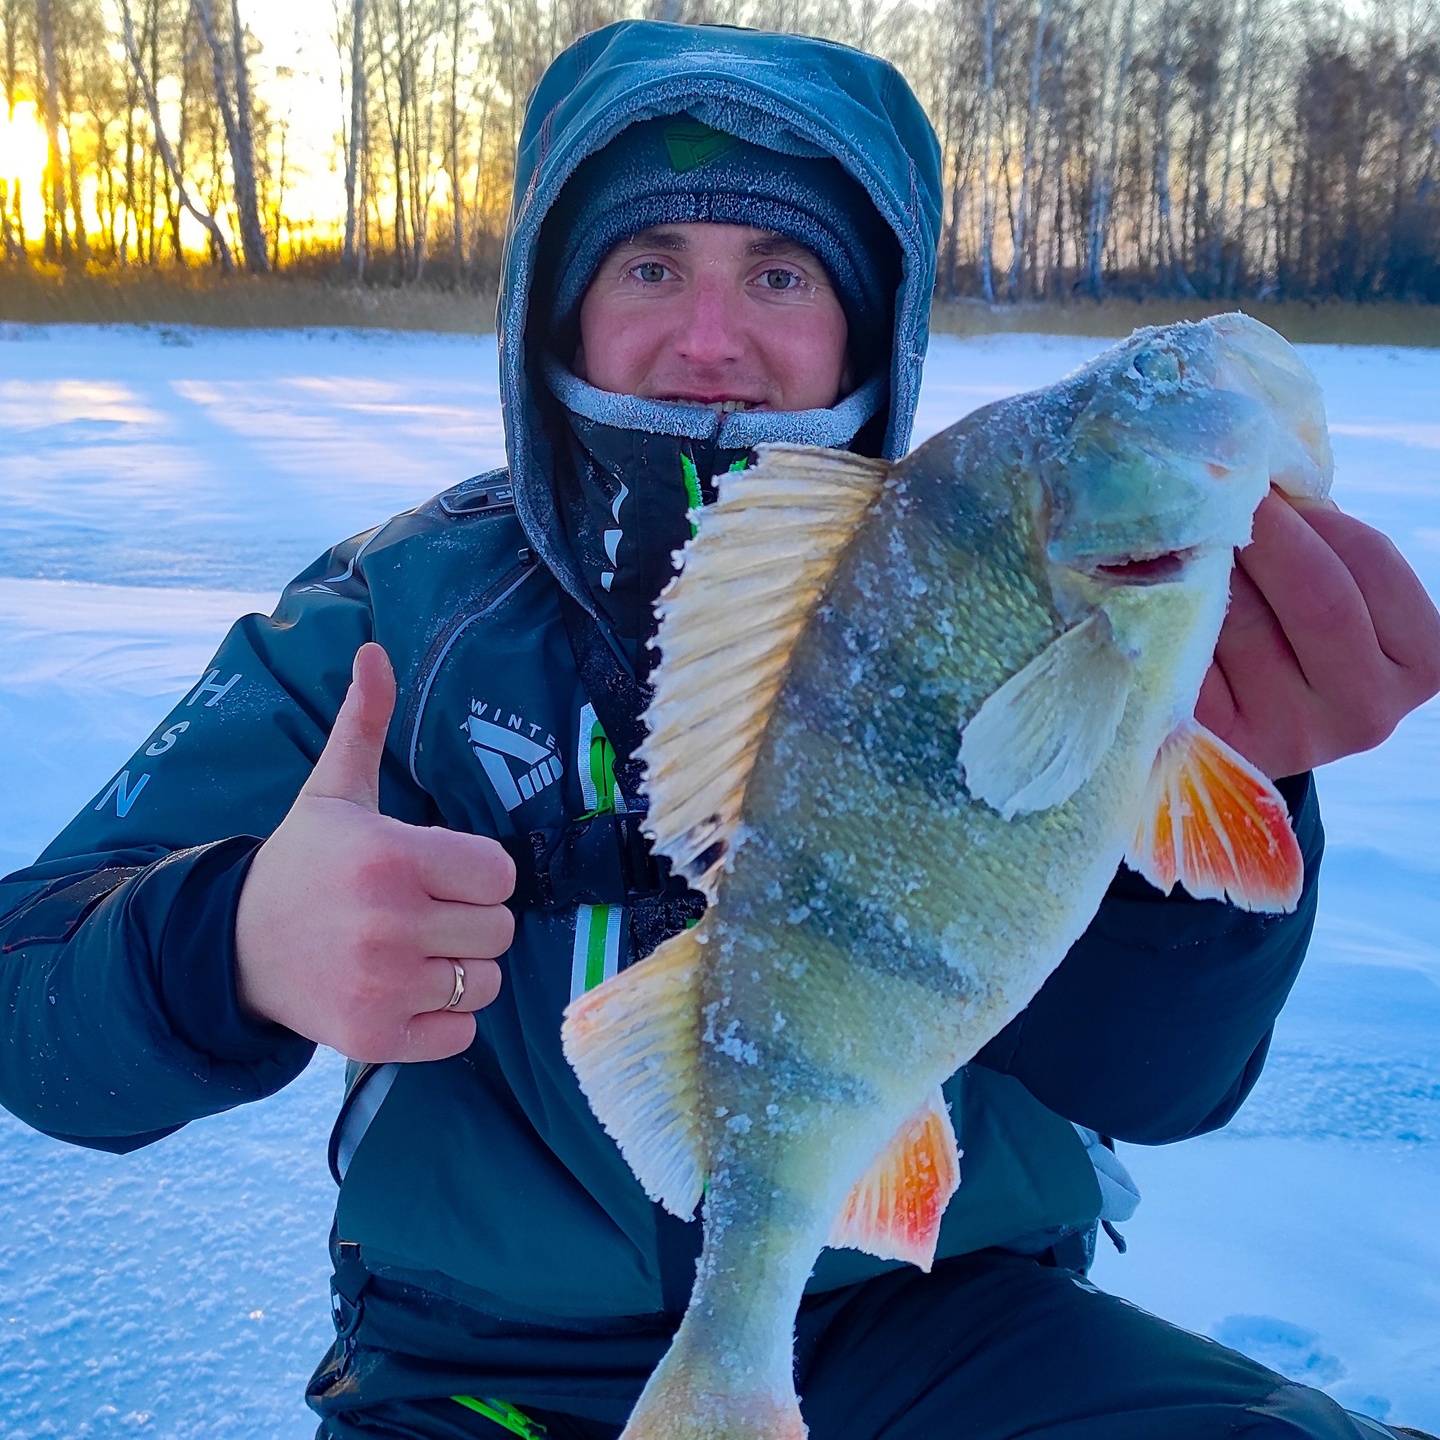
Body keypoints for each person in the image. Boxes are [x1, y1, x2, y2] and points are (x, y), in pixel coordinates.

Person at [3, 20, 1439, 1440]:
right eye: (647, 265)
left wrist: (1239, 787)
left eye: (778, 270)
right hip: (474, 1364)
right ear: (553, 306)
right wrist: (233, 942)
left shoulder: (1044, 578)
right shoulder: (396, 610)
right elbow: (28, 999)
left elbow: (1158, 1086)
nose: (708, 340)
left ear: (869, 315)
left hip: (944, 1319)